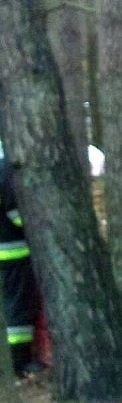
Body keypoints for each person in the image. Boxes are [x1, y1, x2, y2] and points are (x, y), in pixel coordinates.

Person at [0, 139, 44, 376]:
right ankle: (19, 363)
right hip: (11, 253)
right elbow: (16, 213)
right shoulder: (4, 171)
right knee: (18, 309)